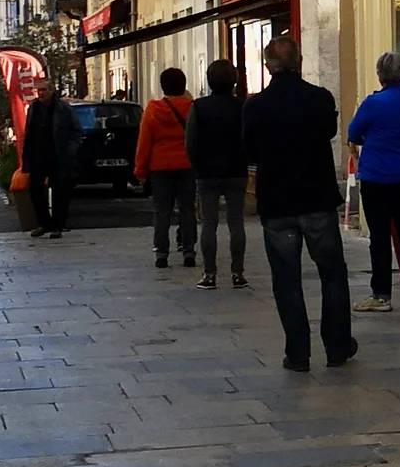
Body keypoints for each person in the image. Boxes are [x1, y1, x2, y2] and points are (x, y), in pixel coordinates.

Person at [241, 33, 354, 371]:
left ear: (268, 66)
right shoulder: (319, 98)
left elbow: (250, 150)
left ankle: (298, 352)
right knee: (332, 273)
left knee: (286, 278)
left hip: (278, 201)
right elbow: (329, 133)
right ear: (299, 62)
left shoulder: (255, 105)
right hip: (316, 196)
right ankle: (337, 347)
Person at [345, 51, 400, 313]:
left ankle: (381, 295)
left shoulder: (373, 103)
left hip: (377, 177)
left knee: (380, 237)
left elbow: (353, 133)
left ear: (380, 75)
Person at [186, 57, 249, 290]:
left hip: (207, 171)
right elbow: (247, 138)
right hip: (236, 169)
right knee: (236, 222)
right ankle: (238, 273)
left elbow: (190, 141)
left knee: (209, 223)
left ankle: (210, 273)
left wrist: (196, 165)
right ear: (234, 81)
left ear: (209, 81)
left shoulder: (199, 107)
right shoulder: (242, 106)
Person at [135, 65, 196, 270]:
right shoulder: (192, 108)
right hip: (187, 165)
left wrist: (140, 170)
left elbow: (144, 141)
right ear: (183, 85)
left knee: (162, 211)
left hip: (160, 167)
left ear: (162, 86)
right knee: (187, 209)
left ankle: (161, 253)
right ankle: (188, 250)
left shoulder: (153, 109)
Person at [20, 75, 81, 241]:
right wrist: (26, 154)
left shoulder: (63, 108)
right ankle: (43, 223)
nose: (40, 93)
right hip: (38, 155)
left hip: (58, 155)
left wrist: (69, 151)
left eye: (43, 90)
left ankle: (57, 226)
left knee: (60, 192)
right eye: (38, 90)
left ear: (51, 91)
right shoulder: (34, 108)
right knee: (35, 190)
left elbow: (76, 131)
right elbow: (29, 132)